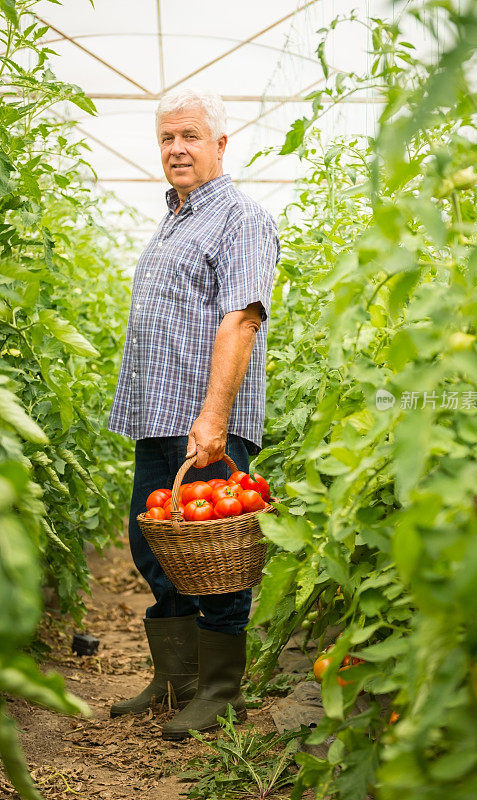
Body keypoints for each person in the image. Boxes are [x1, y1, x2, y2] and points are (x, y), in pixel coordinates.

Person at [107, 87, 280, 740]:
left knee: (218, 558)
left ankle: (217, 692)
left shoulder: (241, 218)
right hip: (156, 416)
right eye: (167, 140)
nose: (177, 149)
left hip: (204, 425)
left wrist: (212, 418)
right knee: (158, 550)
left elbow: (240, 320)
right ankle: (174, 681)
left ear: (221, 145)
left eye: (190, 137)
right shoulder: (174, 214)